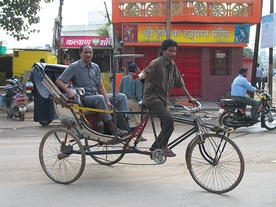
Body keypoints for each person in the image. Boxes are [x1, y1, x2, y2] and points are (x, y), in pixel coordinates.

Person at [132, 39, 196, 157]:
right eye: (170, 51)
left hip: (163, 100)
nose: (173, 54)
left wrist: (190, 98)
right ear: (163, 51)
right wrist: (139, 76)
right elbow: (145, 72)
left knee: (168, 124)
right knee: (169, 120)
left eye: (175, 51)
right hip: (152, 98)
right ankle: (163, 146)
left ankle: (154, 148)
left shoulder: (173, 66)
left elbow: (180, 83)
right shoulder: (156, 62)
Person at [55, 44, 130, 137]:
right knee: (99, 98)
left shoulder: (95, 67)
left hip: (97, 95)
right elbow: (59, 81)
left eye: (90, 52)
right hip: (84, 98)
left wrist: (107, 100)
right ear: (80, 54)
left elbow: (100, 86)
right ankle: (112, 128)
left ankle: (126, 125)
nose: (88, 55)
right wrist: (68, 91)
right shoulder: (74, 67)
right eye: (85, 52)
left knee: (121, 97)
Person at [119, 61, 147, 141]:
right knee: (138, 119)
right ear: (135, 70)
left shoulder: (123, 78)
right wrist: (141, 101)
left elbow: (120, 91)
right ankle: (139, 136)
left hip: (124, 101)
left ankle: (125, 134)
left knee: (125, 118)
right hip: (134, 102)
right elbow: (138, 92)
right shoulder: (136, 78)